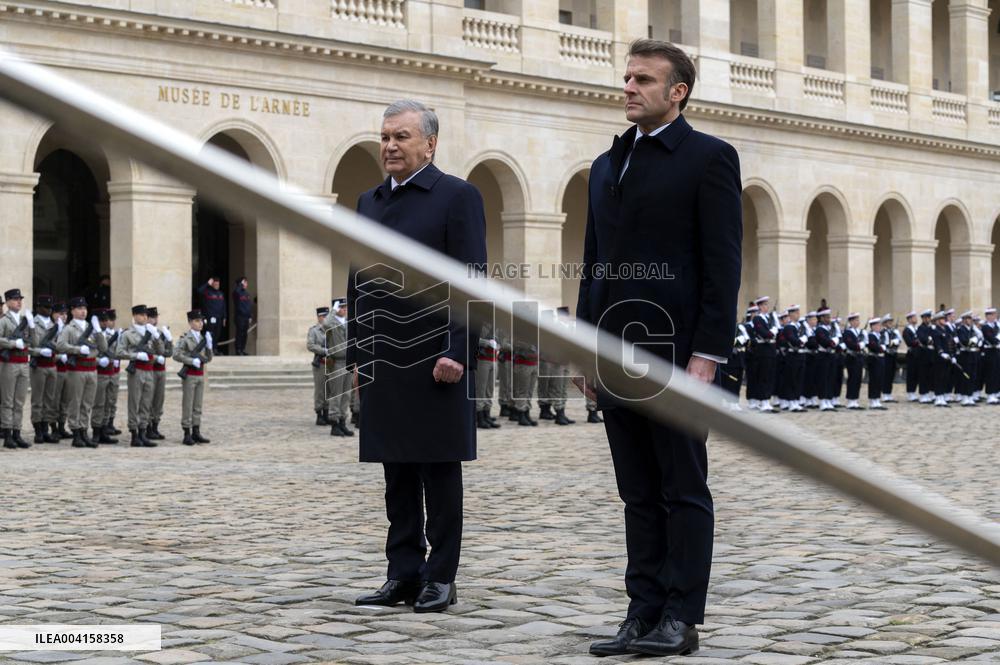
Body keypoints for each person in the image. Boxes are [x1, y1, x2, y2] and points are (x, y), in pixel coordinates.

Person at [575, 40, 741, 658]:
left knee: (683, 487)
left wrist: (709, 353)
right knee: (636, 491)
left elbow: (723, 265)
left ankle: (681, 616)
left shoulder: (709, 158)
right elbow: (593, 264)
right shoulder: (605, 164)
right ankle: (641, 611)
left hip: (676, 352)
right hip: (616, 348)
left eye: (643, 79)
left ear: (678, 92)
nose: (628, 87)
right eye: (626, 78)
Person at [349, 100, 486, 614]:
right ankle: (402, 573)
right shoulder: (368, 202)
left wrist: (458, 349)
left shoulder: (457, 197)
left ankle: (440, 577)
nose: (389, 145)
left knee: (439, 472)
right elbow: (358, 282)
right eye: (384, 136)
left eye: (401, 136)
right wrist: (358, 356)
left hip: (435, 358)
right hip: (385, 357)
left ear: (429, 144)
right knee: (396, 473)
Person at [56, 297, 107, 448]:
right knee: (75, 402)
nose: (83, 311)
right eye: (79, 308)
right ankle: (76, 433)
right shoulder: (69, 328)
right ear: (72, 311)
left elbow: (103, 348)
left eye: (85, 308)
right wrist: (77, 350)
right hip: (77, 369)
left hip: (92, 368)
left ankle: (84, 431)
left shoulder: (90, 327)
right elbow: (60, 345)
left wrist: (98, 331)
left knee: (87, 403)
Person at [116, 305, 158, 447]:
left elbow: (162, 350)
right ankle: (134, 434)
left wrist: (157, 336)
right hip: (137, 370)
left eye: (146, 314)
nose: (145, 317)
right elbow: (119, 352)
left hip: (149, 370)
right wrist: (136, 355)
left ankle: (143, 432)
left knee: (146, 403)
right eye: (141, 314)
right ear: (134, 316)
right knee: (134, 402)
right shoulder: (128, 333)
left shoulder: (150, 332)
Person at [173, 310, 213, 445]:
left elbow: (208, 358)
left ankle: (196, 431)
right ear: (190, 322)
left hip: (200, 375)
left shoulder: (203, 338)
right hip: (189, 375)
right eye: (196, 320)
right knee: (188, 404)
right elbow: (176, 354)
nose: (200, 323)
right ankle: (187, 433)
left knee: (197, 405)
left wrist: (209, 346)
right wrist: (190, 361)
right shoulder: (185, 338)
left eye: (201, 320)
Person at [0, 288, 33, 449]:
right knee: (7, 401)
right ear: (7, 302)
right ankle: (7, 435)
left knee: (19, 401)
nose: (18, 301)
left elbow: (33, 340)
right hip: (9, 364)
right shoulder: (3, 320)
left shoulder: (23, 320)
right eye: (14, 299)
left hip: (23, 363)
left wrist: (32, 326)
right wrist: (13, 343)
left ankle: (16, 432)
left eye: (20, 299)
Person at [29, 295, 59, 443]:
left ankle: (46, 428)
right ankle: (38, 430)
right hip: (39, 365)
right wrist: (38, 352)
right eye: (46, 307)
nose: (49, 310)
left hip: (52, 365)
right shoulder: (32, 324)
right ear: (38, 308)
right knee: (37, 400)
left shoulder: (54, 324)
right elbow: (28, 346)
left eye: (50, 307)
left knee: (49, 399)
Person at [91, 309, 121, 444]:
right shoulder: (93, 335)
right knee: (99, 403)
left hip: (110, 372)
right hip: (99, 373)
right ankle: (96, 432)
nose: (105, 323)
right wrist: (98, 361)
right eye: (102, 320)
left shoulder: (110, 335)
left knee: (108, 403)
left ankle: (104, 429)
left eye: (106, 320)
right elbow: (90, 353)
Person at [326, 299, 353, 437]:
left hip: (348, 362)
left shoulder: (347, 322)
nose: (344, 309)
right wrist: (332, 311)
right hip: (337, 362)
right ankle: (334, 422)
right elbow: (325, 324)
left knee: (346, 394)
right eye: (341, 307)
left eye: (345, 307)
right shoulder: (333, 323)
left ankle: (343, 421)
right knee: (336, 394)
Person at [146, 307, 172, 440]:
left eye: (156, 317)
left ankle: (155, 425)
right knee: (149, 400)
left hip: (161, 370)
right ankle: (148, 427)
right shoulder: (145, 333)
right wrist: (156, 358)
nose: (155, 320)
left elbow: (168, 353)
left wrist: (169, 340)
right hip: (150, 369)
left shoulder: (158, 333)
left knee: (159, 400)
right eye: (152, 317)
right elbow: (147, 351)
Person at [307, 306, 332, 426]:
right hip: (320, 364)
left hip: (331, 364)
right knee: (320, 390)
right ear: (319, 317)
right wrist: (324, 350)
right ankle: (319, 414)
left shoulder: (333, 329)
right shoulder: (314, 330)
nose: (326, 318)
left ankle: (327, 413)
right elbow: (310, 345)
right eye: (323, 316)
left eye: (327, 316)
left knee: (329, 390)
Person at [197, 276, 226, 355]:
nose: (217, 285)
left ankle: (214, 349)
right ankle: (209, 349)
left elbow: (223, 306)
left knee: (217, 334)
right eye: (215, 284)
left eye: (218, 284)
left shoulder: (221, 294)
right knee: (210, 333)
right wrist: (207, 284)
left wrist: (224, 317)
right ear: (212, 284)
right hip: (210, 317)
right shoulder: (207, 292)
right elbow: (199, 291)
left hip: (219, 317)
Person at [865, 317, 887, 409]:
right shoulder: (871, 336)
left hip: (880, 359)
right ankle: (872, 399)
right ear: (872, 326)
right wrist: (881, 347)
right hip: (874, 359)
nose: (879, 327)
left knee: (879, 380)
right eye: (877, 325)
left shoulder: (880, 335)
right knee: (874, 380)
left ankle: (877, 399)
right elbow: (873, 346)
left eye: (879, 325)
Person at [232, 277, 253, 356]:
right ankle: (238, 350)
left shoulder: (246, 294)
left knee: (245, 334)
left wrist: (250, 316)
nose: (246, 284)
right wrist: (240, 284)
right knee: (239, 334)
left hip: (246, 317)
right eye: (244, 282)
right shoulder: (237, 292)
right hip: (239, 317)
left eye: (246, 282)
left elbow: (248, 306)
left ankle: (242, 349)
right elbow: (236, 292)